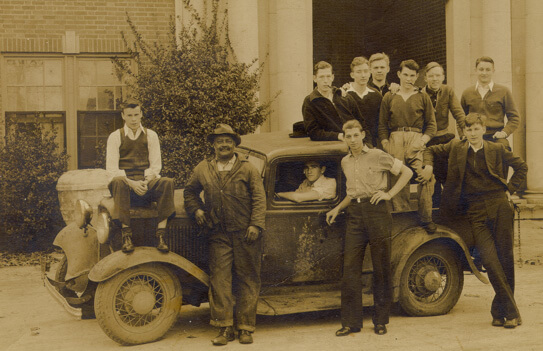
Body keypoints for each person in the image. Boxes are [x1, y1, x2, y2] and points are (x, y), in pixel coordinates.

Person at [421, 113, 527, 329]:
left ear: (483, 129)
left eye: (476, 129)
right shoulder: (456, 147)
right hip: (475, 211)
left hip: (499, 206)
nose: (472, 133)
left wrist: (510, 189)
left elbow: (521, 167)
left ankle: (500, 311)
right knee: (488, 259)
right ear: (464, 131)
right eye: (468, 130)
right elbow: (429, 149)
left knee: (504, 258)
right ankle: (512, 311)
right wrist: (428, 166)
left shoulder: (496, 148)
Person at [326, 120, 413, 336]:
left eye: (356, 135)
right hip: (355, 214)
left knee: (381, 266)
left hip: (377, 211)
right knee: (350, 269)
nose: (353, 140)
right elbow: (353, 192)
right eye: (349, 136)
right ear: (344, 137)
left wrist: (389, 195)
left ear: (363, 135)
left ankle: (381, 320)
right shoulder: (345, 161)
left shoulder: (377, 155)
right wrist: (338, 208)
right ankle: (351, 322)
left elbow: (407, 173)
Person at [183, 124, 266, 346]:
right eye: (219, 141)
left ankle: (246, 328)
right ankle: (224, 327)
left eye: (228, 140)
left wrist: (255, 225)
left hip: (245, 233)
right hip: (217, 233)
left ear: (234, 144)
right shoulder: (203, 168)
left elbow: (259, 198)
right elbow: (189, 192)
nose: (224, 145)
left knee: (248, 278)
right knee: (220, 280)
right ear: (213, 145)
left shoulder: (248, 169)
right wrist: (197, 209)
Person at [105, 98, 175, 253]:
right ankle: (126, 236)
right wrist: (132, 183)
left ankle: (161, 235)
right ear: (123, 116)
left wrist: (145, 181)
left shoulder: (151, 135)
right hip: (125, 186)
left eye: (136, 114)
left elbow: (156, 166)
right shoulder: (115, 136)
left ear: (142, 114)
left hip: (145, 184)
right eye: (129, 115)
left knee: (167, 182)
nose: (134, 119)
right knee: (117, 181)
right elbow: (111, 170)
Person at [378, 59, 437, 233]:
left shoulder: (422, 96)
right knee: (397, 178)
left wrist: (422, 141)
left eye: (412, 76)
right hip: (395, 138)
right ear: (398, 74)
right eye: (405, 75)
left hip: (416, 138)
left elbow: (432, 125)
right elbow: (382, 125)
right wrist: (386, 144)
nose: (409, 79)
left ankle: (426, 218)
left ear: (417, 76)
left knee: (425, 176)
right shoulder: (389, 96)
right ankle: (401, 219)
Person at [422, 61, 466, 206]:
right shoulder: (420, 94)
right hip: (427, 140)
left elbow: (459, 114)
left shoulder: (448, 91)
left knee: (449, 175)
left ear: (443, 77)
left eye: (438, 75)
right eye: (431, 76)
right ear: (425, 78)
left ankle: (451, 208)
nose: (434, 79)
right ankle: (434, 208)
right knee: (431, 177)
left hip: (444, 138)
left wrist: (464, 133)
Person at [302, 61, 371, 143]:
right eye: (321, 77)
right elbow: (313, 133)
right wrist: (338, 136)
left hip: (355, 143)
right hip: (333, 147)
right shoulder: (310, 101)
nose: (325, 81)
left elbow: (361, 123)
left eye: (328, 76)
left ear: (333, 77)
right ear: (315, 78)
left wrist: (368, 145)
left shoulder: (344, 97)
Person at [460, 56, 520, 150]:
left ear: (493, 71)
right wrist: (463, 135)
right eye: (481, 69)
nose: (484, 73)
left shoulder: (503, 91)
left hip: (495, 137)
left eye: (488, 70)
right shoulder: (467, 93)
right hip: (474, 136)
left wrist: (504, 133)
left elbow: (514, 118)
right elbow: (460, 117)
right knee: (460, 152)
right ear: (476, 70)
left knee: (504, 150)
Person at [344, 56, 383, 148]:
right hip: (351, 144)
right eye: (359, 72)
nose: (363, 75)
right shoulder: (345, 95)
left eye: (366, 71)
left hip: (372, 145)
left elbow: (380, 123)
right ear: (352, 74)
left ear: (370, 73)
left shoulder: (376, 95)